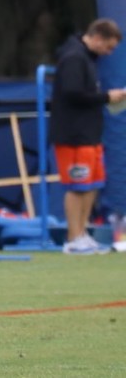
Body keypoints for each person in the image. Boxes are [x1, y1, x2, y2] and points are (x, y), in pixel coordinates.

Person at [50, 18, 126, 255]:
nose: (109, 52)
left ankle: (82, 234)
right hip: (73, 134)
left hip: (90, 134)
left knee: (91, 185)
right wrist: (106, 97)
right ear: (98, 37)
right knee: (77, 186)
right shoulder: (74, 57)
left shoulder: (88, 59)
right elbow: (73, 93)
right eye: (109, 47)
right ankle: (73, 239)